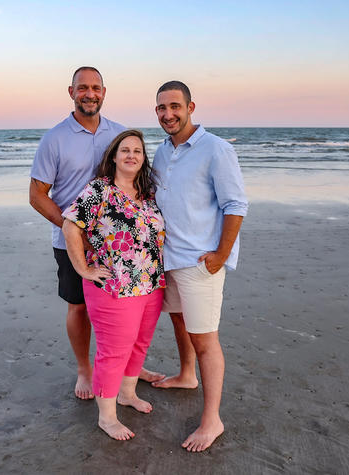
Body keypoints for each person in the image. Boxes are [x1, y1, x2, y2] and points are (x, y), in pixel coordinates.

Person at [29, 67, 164, 400]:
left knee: (132, 306)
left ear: (104, 92)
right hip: (72, 242)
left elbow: (140, 178)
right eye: (82, 88)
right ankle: (84, 370)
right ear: (71, 91)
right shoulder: (55, 138)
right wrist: (73, 228)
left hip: (121, 248)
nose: (89, 94)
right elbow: (37, 195)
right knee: (78, 306)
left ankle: (129, 366)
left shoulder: (119, 135)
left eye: (95, 88)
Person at [151, 80, 248, 452]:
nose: (168, 114)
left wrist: (221, 255)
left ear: (191, 107)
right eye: (161, 108)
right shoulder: (160, 151)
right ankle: (186, 375)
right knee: (179, 321)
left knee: (205, 339)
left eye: (175, 106)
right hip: (168, 259)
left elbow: (236, 205)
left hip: (199, 262)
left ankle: (212, 420)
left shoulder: (216, 149)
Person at [61, 129, 165, 440]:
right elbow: (70, 226)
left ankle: (127, 394)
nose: (132, 155)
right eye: (125, 150)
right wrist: (83, 269)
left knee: (139, 344)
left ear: (143, 159)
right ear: (114, 157)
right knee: (113, 351)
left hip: (151, 284)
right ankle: (107, 417)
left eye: (138, 150)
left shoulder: (147, 195)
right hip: (114, 287)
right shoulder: (99, 190)